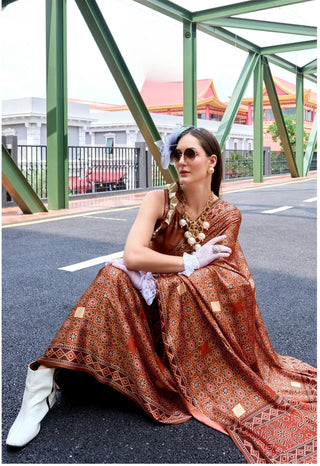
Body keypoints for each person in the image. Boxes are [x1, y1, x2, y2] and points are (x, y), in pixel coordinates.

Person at [6, 126, 317, 463]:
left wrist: (160, 280)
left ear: (211, 162)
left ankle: (54, 378)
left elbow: (227, 280)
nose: (180, 161)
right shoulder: (159, 200)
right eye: (176, 154)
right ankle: (41, 381)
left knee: (126, 278)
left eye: (190, 154)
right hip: (144, 295)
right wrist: (190, 261)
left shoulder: (227, 215)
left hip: (169, 308)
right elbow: (133, 256)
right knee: (111, 275)